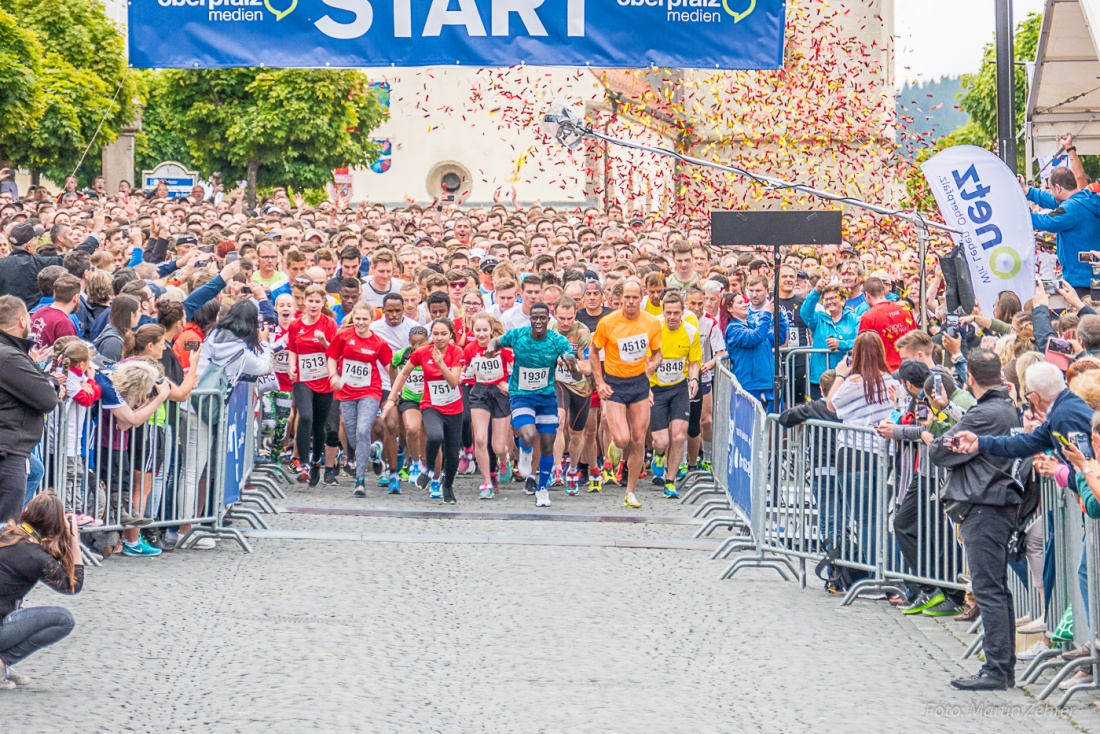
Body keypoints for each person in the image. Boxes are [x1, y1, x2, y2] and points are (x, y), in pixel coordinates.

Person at [932, 348, 1026, 691]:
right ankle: (1000, 665)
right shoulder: (1003, 408)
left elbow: (940, 450)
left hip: (986, 503)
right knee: (993, 588)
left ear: (969, 378)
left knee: (989, 589)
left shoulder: (985, 413)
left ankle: (998, 668)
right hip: (989, 501)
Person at [485, 302, 580, 507]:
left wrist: (573, 366)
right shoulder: (518, 335)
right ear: (530, 319)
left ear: (548, 319)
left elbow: (575, 370)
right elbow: (496, 342)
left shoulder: (557, 340)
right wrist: (491, 350)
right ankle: (525, 451)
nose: (538, 321)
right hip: (521, 394)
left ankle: (542, 489)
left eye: (542, 318)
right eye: (534, 317)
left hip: (546, 396)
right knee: (528, 434)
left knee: (547, 445)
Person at [590, 280, 663, 509]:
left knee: (638, 439)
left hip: (639, 384)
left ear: (641, 297)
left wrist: (652, 364)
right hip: (615, 384)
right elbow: (594, 351)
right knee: (622, 439)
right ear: (620, 298)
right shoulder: (608, 322)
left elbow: (658, 352)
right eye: (626, 298)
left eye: (634, 298)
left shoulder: (651, 323)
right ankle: (613, 448)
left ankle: (630, 491)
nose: (630, 302)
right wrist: (599, 382)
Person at [0, 492, 83, 689]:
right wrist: (73, 540)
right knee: (63, 619)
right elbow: (73, 585)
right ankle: (3, 662)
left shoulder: (6, 532)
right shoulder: (37, 558)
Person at [387, 319, 466, 503]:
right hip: (431, 405)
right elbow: (403, 373)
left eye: (443, 334)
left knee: (453, 454)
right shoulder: (423, 352)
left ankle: (447, 486)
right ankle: (428, 469)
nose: (439, 338)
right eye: (435, 334)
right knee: (435, 436)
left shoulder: (457, 352)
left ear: (451, 335)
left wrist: (441, 364)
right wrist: (392, 397)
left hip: (453, 408)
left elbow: (453, 382)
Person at [0, 296, 60, 523]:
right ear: (22, 322)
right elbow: (46, 398)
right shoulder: (9, 357)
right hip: (8, 448)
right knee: (5, 527)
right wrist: (52, 382)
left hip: (12, 445)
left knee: (35, 470)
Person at [326, 301, 394, 497]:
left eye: (365, 319)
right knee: (353, 436)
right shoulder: (343, 336)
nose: (361, 323)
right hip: (346, 391)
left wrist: (398, 388)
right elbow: (332, 356)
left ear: (372, 320)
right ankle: (372, 452)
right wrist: (333, 376)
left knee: (364, 429)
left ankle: (360, 479)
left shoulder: (378, 343)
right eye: (358, 319)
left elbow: (389, 367)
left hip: (370, 391)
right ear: (352, 318)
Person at [649, 291, 701, 499]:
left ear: (683, 312)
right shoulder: (654, 329)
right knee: (661, 441)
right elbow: (643, 363)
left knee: (679, 435)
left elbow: (694, 362)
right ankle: (659, 455)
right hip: (656, 388)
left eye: (676, 313)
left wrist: (694, 379)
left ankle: (670, 482)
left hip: (679, 387)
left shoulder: (690, 331)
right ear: (662, 312)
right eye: (668, 312)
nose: (672, 317)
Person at [287, 285, 338, 485]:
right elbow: (292, 348)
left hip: (324, 379)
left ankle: (317, 460)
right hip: (302, 377)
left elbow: (336, 352)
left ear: (323, 303)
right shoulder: (295, 325)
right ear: (304, 302)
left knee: (319, 427)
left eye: (318, 301)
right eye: (311, 301)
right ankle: (304, 464)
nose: (314, 305)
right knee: (305, 416)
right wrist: (291, 367)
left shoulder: (329, 324)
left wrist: (325, 342)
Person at [1022, 166, 1100, 296]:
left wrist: (1019, 213)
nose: (1051, 193)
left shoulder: (1072, 208)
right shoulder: (1086, 199)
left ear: (1058, 188)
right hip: (1093, 277)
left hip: (1080, 281)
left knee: (1084, 315)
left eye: (1051, 189)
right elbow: (1052, 200)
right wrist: (1027, 191)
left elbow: (1047, 221)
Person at [463, 312, 513, 499]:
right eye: (478, 330)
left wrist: (510, 386)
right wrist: (463, 376)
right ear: (472, 331)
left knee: (498, 446)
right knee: (481, 439)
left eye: (485, 330)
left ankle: (503, 459)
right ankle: (486, 482)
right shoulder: (469, 349)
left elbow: (516, 367)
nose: (482, 334)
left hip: (500, 392)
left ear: (492, 330)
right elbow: (467, 370)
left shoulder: (503, 348)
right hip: (480, 394)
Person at [800, 279, 859, 399]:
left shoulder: (854, 319)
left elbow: (860, 341)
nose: (829, 302)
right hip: (819, 378)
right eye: (826, 299)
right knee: (819, 414)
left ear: (843, 300)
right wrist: (816, 291)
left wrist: (841, 345)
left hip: (846, 377)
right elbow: (805, 313)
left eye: (833, 298)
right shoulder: (818, 319)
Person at [858, 276, 915, 372]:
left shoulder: (868, 317)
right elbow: (915, 337)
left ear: (867, 295)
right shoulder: (905, 311)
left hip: (883, 371)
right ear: (883, 291)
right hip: (909, 368)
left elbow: (864, 350)